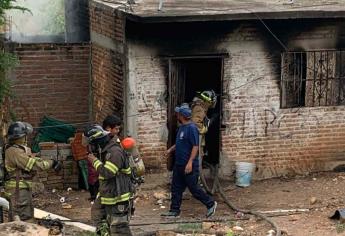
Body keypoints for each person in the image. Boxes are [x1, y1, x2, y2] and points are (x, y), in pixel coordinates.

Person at [161, 105, 217, 218]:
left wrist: (190, 162)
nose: (176, 115)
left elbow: (195, 147)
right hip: (179, 164)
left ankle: (210, 203)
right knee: (175, 188)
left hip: (189, 165)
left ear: (182, 116)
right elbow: (181, 143)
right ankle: (174, 210)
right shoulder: (182, 127)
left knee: (194, 188)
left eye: (178, 114)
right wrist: (170, 150)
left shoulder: (192, 128)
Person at [3, 121, 62, 222]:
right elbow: (34, 165)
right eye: (25, 136)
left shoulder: (16, 150)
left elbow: (33, 159)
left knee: (23, 218)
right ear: (20, 137)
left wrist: (45, 160)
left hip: (21, 189)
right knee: (24, 220)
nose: (26, 138)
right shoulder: (14, 151)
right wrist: (51, 163)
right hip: (18, 191)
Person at [85, 124, 133, 235]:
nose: (91, 148)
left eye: (92, 144)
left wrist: (94, 161)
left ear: (98, 141)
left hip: (118, 196)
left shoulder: (115, 152)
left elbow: (108, 173)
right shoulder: (106, 150)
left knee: (119, 228)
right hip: (108, 193)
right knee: (98, 216)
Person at [191, 90, 217, 162]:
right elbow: (196, 125)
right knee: (197, 158)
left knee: (199, 156)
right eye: (211, 102)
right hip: (196, 139)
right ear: (207, 101)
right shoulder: (199, 108)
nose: (211, 104)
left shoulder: (201, 108)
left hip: (198, 139)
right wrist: (205, 128)